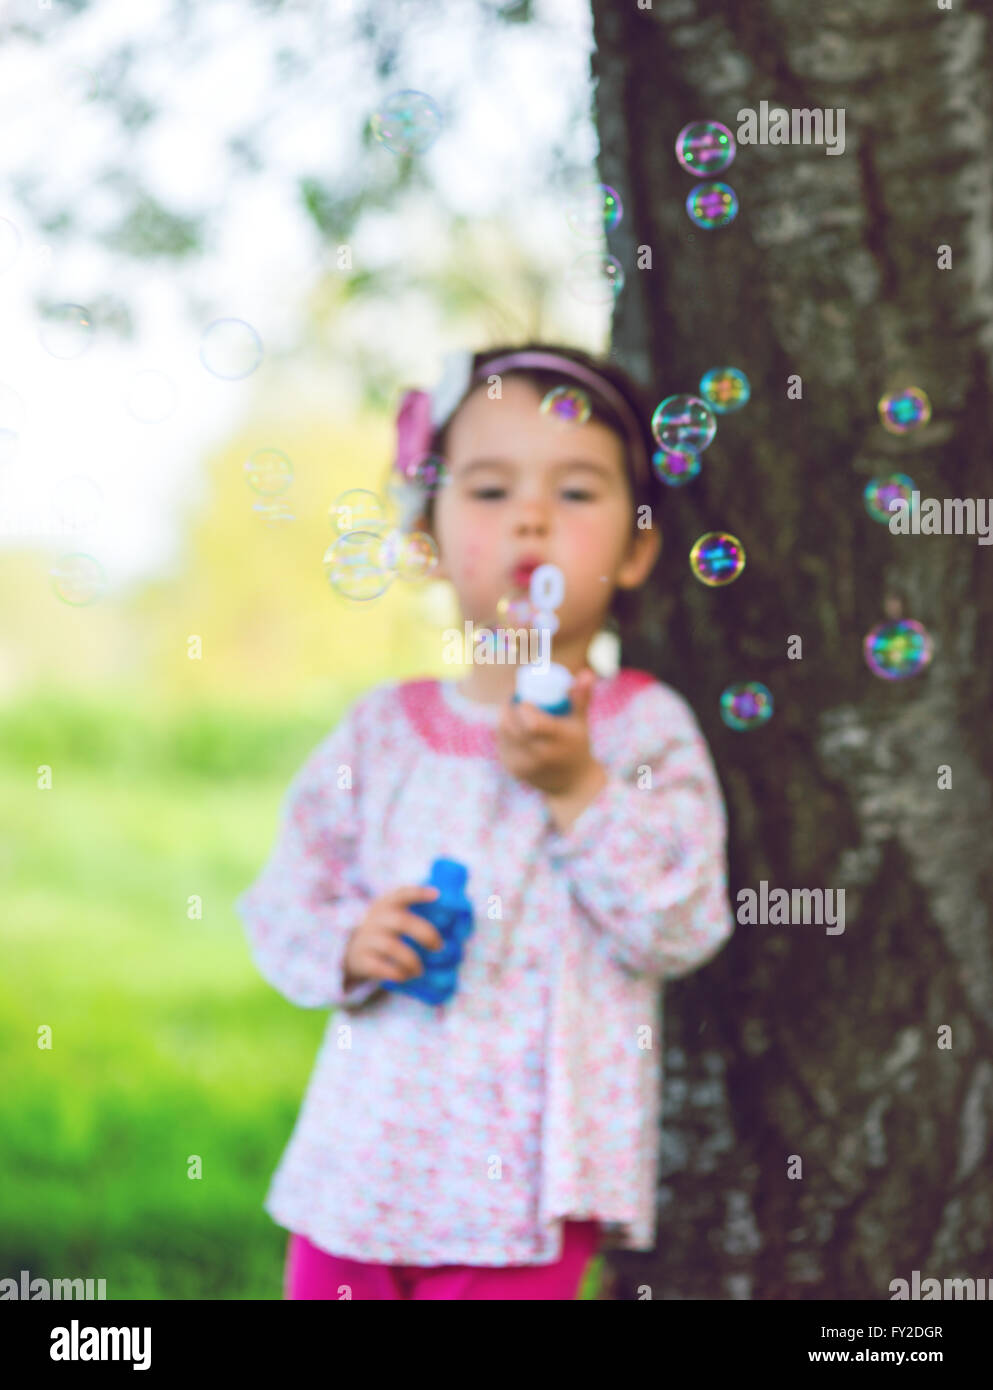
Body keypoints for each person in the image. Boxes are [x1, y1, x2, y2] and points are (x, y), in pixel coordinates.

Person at [234, 341, 735, 1300]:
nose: (533, 517)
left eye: (578, 493)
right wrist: (350, 940)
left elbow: (682, 922)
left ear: (635, 549)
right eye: (492, 490)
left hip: (528, 1196)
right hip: (359, 1166)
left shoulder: (640, 728)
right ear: (425, 537)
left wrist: (577, 786)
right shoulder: (382, 731)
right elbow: (280, 901)